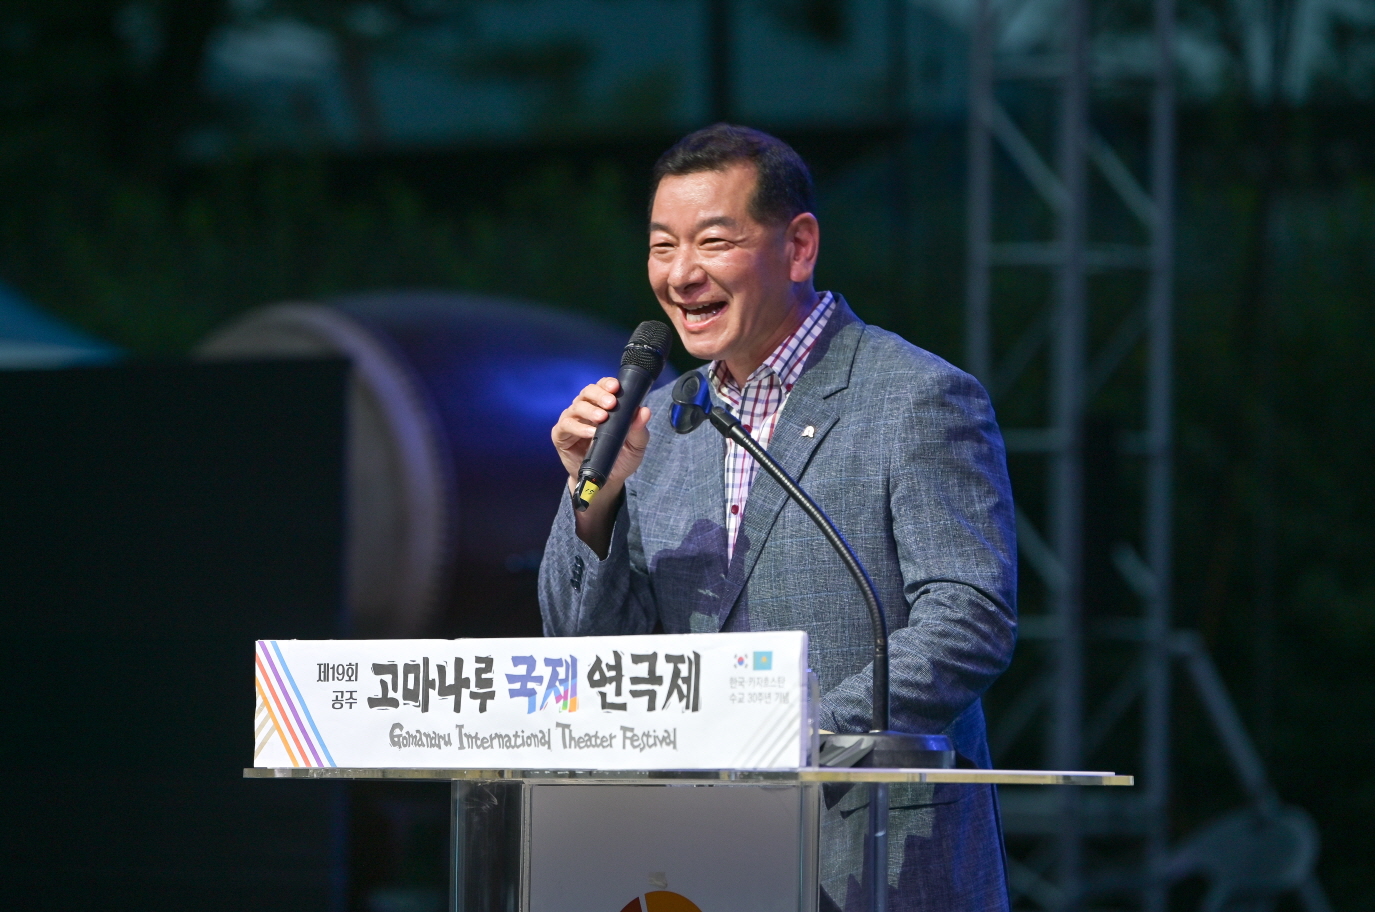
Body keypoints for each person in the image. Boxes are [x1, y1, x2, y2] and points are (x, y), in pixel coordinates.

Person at [539, 123, 1017, 912]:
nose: (681, 274)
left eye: (712, 242)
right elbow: (588, 654)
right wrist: (594, 501)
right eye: (661, 247)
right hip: (690, 860)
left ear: (797, 247)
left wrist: (800, 736)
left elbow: (969, 619)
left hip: (873, 855)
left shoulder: (915, 396)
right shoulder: (661, 421)